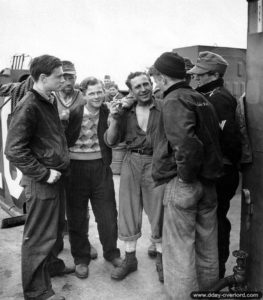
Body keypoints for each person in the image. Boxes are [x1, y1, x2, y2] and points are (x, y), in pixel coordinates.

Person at [151, 52, 223, 299]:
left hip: (186, 184)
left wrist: (184, 178)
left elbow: (186, 144)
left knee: (179, 252)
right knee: (207, 248)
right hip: (209, 184)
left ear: (161, 77)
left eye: (155, 76)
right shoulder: (200, 98)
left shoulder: (174, 99)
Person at [5, 55, 71, 300]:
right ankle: (37, 291)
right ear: (43, 78)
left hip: (55, 178)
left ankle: (51, 266)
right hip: (41, 181)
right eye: (60, 75)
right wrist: (43, 173)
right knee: (39, 237)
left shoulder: (48, 99)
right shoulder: (29, 105)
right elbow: (13, 150)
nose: (64, 79)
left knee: (54, 228)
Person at [105, 71, 165, 282]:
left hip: (157, 162)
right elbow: (111, 141)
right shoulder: (125, 111)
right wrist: (114, 118)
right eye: (137, 86)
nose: (143, 89)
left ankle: (161, 260)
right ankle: (130, 259)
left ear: (151, 84)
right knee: (128, 211)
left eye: (145, 84)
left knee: (158, 212)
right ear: (131, 90)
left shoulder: (163, 107)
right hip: (131, 162)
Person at [188, 51, 242, 278]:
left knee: (217, 221)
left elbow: (228, 139)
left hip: (221, 171)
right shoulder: (208, 94)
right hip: (216, 168)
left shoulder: (218, 98)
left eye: (200, 74)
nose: (195, 78)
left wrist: (222, 165)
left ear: (214, 74)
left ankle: (217, 271)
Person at [64, 77, 122, 279]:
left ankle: (111, 253)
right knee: (77, 217)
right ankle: (81, 258)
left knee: (107, 215)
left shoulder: (109, 111)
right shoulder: (72, 113)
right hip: (75, 170)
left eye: (100, 92)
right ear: (83, 94)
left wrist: (116, 117)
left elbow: (114, 140)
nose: (97, 96)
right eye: (92, 93)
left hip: (100, 168)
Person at [54, 60, 98, 259]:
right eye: (65, 76)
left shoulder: (82, 97)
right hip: (54, 159)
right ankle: (54, 244)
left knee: (79, 205)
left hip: (77, 160)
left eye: (72, 76)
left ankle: (82, 241)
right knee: (55, 204)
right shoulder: (50, 96)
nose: (68, 81)